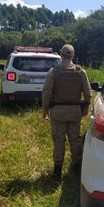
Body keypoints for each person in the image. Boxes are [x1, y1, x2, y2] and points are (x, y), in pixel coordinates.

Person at [42, 44, 91, 181]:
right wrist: (86, 107)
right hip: (75, 111)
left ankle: (57, 172)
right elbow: (87, 93)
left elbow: (46, 93)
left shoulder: (54, 72)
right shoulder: (81, 72)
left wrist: (45, 110)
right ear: (72, 56)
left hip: (58, 112)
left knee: (59, 141)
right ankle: (75, 168)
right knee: (75, 140)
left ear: (61, 55)